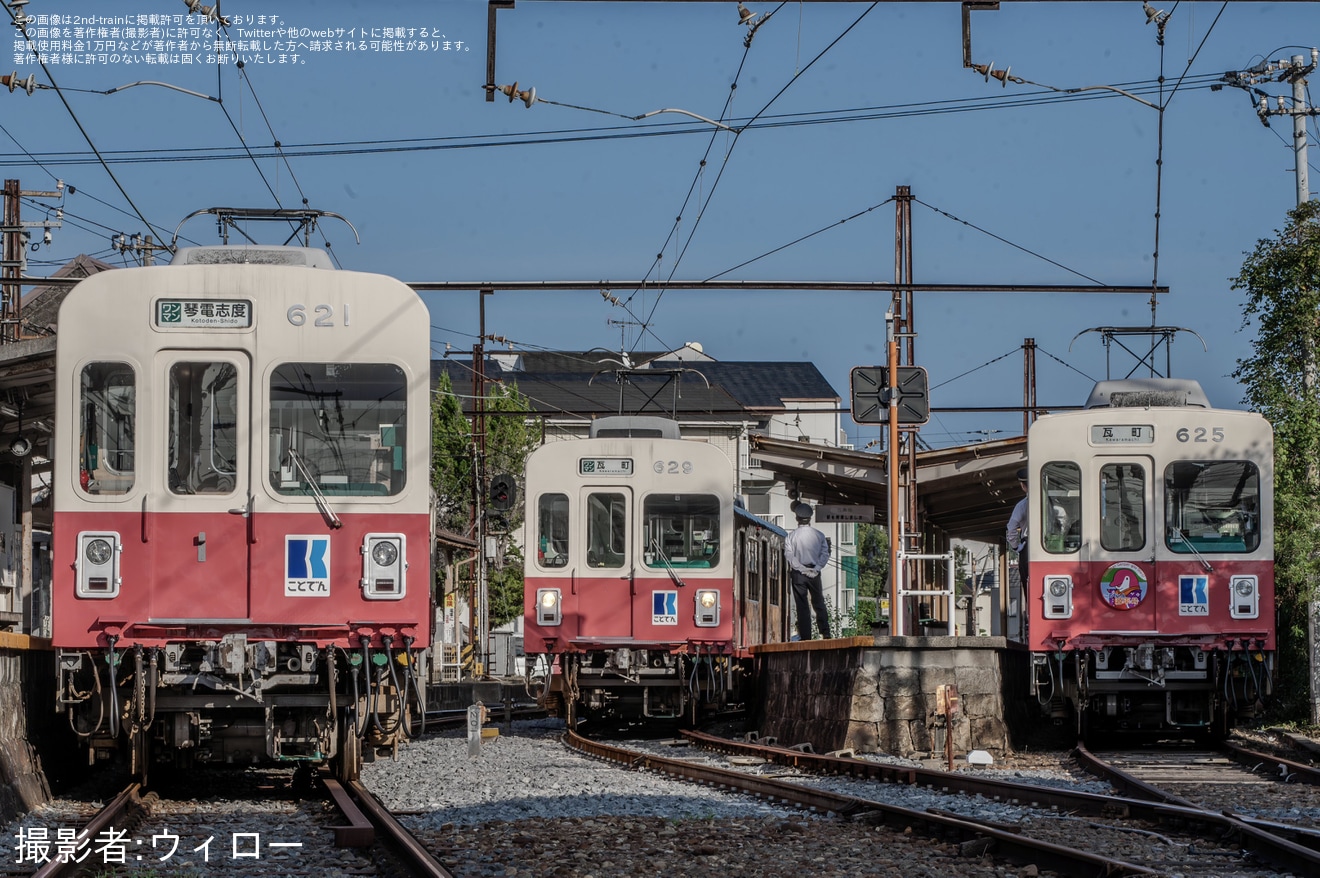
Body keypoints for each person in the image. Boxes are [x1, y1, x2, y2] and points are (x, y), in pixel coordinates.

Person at [784, 500, 831, 641]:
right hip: (815, 573)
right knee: (819, 602)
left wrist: (801, 569)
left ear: (797, 518)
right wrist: (815, 569)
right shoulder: (819, 535)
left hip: (798, 575)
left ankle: (806, 636)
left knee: (802, 606)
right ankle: (825, 633)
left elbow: (789, 556)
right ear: (810, 518)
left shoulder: (791, 536)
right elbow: (825, 554)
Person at [1007, 468, 1030, 593]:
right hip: (1055, 545)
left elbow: (1011, 528)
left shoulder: (1022, 505)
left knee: (1028, 585)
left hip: (1028, 547)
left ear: (1023, 486)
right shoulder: (1053, 501)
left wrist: (1017, 547)